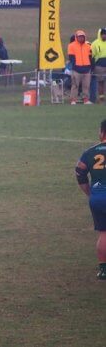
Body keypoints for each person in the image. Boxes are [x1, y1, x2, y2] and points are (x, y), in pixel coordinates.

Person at [75, 119, 106, 280]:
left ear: (101, 133)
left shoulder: (90, 152)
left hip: (98, 197)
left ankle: (103, 270)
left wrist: (89, 192)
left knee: (104, 233)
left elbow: (79, 172)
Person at [67, 29, 93, 105]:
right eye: (79, 37)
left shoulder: (88, 46)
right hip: (76, 69)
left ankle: (86, 100)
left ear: (84, 37)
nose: (81, 38)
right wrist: (75, 65)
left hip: (86, 69)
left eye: (82, 37)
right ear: (76, 37)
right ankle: (73, 100)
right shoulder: (71, 46)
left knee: (86, 86)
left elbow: (90, 57)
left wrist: (90, 66)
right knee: (75, 85)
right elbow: (71, 57)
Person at [91, 28, 106, 104]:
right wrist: (93, 67)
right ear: (101, 35)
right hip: (99, 66)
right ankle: (101, 98)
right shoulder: (95, 43)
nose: (105, 36)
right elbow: (92, 56)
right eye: (104, 34)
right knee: (100, 82)